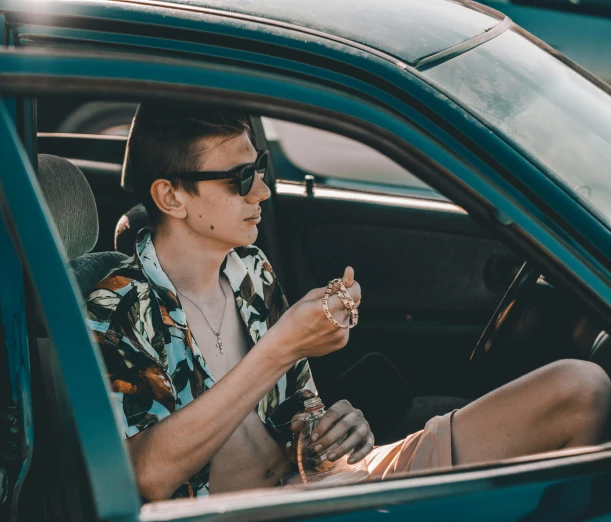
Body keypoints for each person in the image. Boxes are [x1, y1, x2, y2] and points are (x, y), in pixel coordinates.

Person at [86, 104, 611, 501]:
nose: (262, 192)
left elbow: (302, 422)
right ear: (171, 196)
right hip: (255, 511)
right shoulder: (115, 309)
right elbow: (144, 477)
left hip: (325, 486)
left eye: (260, 167)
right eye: (240, 179)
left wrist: (333, 429)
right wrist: (279, 349)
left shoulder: (251, 272)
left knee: (579, 388)